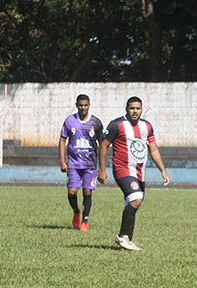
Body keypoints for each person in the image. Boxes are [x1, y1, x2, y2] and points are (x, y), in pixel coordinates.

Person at [97, 97, 170, 251]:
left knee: (134, 202)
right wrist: (102, 169)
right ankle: (122, 236)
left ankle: (127, 239)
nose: (135, 111)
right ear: (126, 109)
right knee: (136, 198)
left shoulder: (147, 126)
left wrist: (162, 170)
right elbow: (103, 146)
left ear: (142, 109)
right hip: (122, 169)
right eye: (132, 108)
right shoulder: (117, 124)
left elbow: (153, 149)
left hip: (139, 172)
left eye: (138, 108)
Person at [59, 94, 103, 231]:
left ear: (89, 105)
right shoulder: (70, 121)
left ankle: (85, 221)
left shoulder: (95, 122)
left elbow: (102, 144)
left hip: (90, 165)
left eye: (85, 105)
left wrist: (102, 167)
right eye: (80, 105)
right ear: (76, 105)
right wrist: (62, 161)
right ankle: (76, 211)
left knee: (87, 191)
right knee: (72, 191)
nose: (83, 108)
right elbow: (62, 140)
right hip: (73, 163)